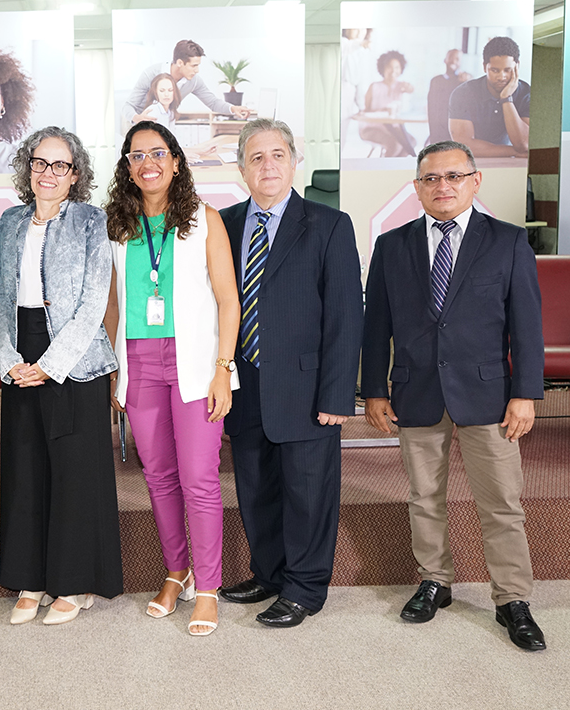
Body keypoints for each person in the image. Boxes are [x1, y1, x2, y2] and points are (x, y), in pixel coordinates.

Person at [361, 140, 546, 651]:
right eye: (430, 179)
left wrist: (526, 392)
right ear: (417, 187)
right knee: (424, 497)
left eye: (453, 177)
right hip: (416, 391)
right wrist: (373, 389)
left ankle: (512, 598)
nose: (442, 187)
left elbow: (527, 326)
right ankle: (434, 581)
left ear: (475, 180)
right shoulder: (391, 245)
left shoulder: (507, 242)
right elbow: (375, 325)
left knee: (502, 503)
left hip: (489, 395)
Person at [216, 119, 363, 628]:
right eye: (256, 158)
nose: (268, 165)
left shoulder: (329, 224)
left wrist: (340, 395)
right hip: (245, 383)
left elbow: (346, 317)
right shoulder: (225, 223)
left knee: (307, 492)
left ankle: (305, 587)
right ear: (241, 169)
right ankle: (269, 573)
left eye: (277, 155)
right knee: (256, 488)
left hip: (307, 387)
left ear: (295, 161)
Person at [104, 120, 241, 637]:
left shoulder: (203, 220)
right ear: (128, 167)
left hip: (195, 362)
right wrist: (117, 372)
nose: (148, 163)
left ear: (177, 161)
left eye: (157, 152)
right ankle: (176, 572)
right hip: (138, 364)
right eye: (136, 155)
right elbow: (114, 305)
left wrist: (223, 369)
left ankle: (208, 587)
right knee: (158, 477)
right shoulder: (118, 225)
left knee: (200, 480)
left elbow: (229, 300)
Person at [0, 127, 123, 626]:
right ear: (27, 169)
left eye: (59, 166)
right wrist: (8, 357)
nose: (48, 173)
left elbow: (94, 303)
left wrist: (50, 364)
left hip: (74, 358)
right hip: (21, 351)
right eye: (40, 164)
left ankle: (75, 583)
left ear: (75, 174)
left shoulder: (91, 220)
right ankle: (32, 578)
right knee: (25, 470)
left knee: (74, 472)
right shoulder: (10, 221)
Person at [121, 40, 251, 130]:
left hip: (164, 127)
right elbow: (128, 106)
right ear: (179, 63)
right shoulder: (151, 74)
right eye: (194, 66)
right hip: (137, 126)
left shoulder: (193, 81)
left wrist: (233, 109)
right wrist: (137, 118)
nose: (197, 70)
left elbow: (212, 102)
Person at [448, 36, 530, 157]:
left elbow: (524, 144)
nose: (501, 77)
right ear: (484, 66)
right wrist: (513, 151)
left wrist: (506, 98)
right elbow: (464, 146)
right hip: (471, 163)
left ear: (517, 66)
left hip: (513, 166)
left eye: (508, 70)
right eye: (495, 70)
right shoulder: (463, 93)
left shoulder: (526, 93)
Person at [358, 50, 416, 158]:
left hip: (393, 128)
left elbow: (411, 89)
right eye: (390, 67)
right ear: (383, 68)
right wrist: (380, 112)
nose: (393, 70)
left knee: (411, 142)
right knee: (394, 144)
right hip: (372, 128)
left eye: (397, 67)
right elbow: (365, 110)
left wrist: (409, 89)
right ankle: (383, 171)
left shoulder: (401, 86)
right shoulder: (374, 87)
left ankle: (395, 168)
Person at [426, 49, 471, 145]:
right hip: (439, 130)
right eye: (451, 57)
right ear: (445, 60)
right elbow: (431, 109)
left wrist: (467, 80)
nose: (454, 61)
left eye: (457, 59)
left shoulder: (464, 81)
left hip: (457, 129)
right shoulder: (436, 81)